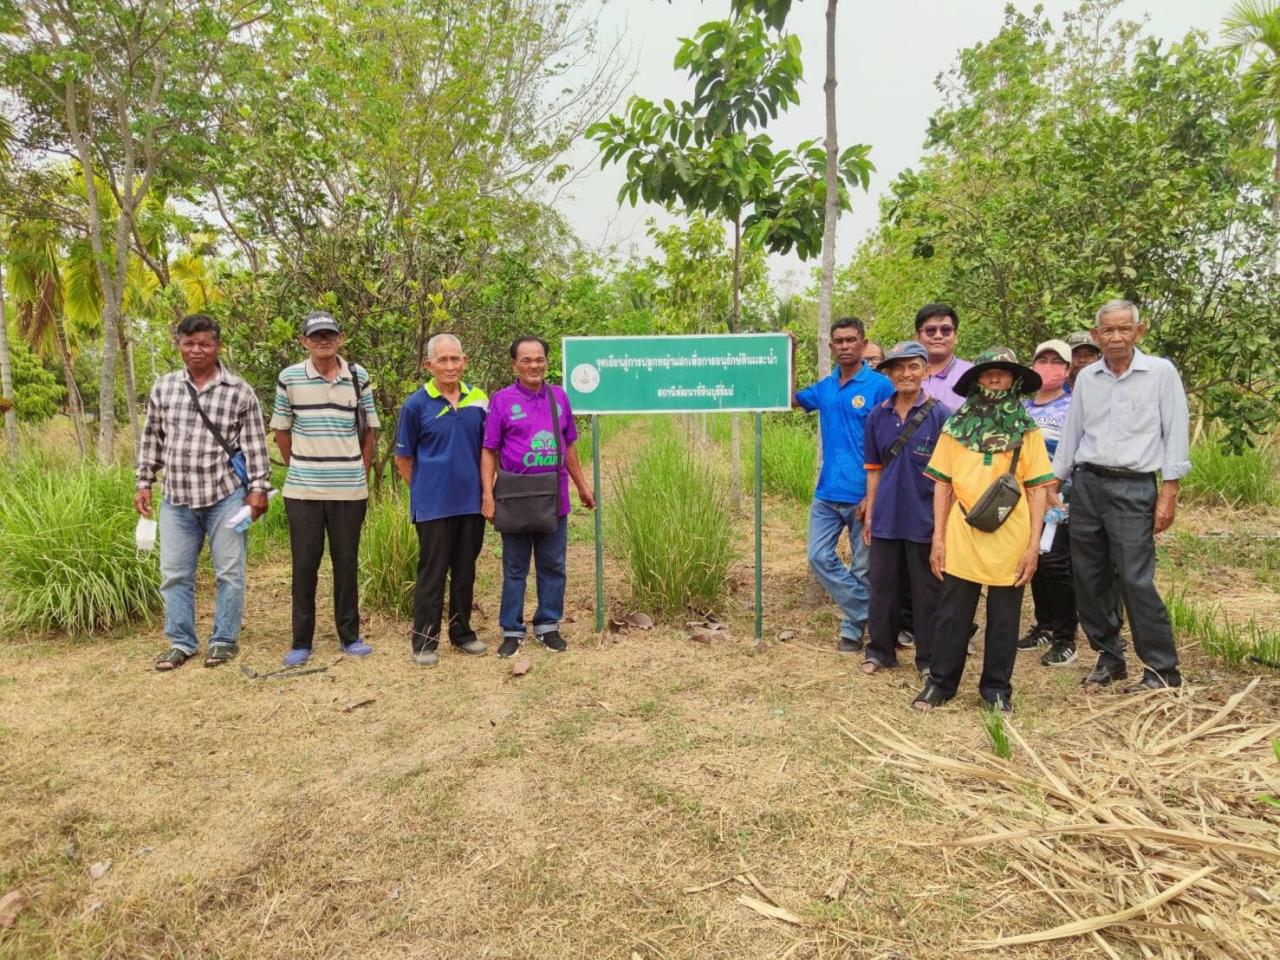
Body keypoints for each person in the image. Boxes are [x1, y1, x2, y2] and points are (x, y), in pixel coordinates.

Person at [1052, 300, 1190, 692]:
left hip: (1133, 486)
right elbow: (1072, 434)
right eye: (1107, 331)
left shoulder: (1160, 373)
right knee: (1089, 577)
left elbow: (1175, 431)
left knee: (1135, 578)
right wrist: (1053, 484)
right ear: (1096, 336)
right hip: (1087, 485)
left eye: (1124, 329)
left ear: (1138, 332)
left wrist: (1169, 491)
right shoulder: (1088, 379)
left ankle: (1162, 669)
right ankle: (1109, 656)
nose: (1116, 337)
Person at [914, 347, 1055, 712]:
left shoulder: (1028, 431)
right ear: (977, 378)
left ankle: (996, 690)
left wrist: (1033, 546)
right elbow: (942, 484)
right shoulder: (955, 427)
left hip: (1012, 533)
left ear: (1014, 380)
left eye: (1003, 372)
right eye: (988, 371)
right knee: (951, 613)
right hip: (963, 529)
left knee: (1005, 617)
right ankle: (940, 684)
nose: (995, 377)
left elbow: (1038, 489)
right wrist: (938, 539)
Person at [135, 313, 270, 671]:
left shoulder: (239, 390)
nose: (197, 350)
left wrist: (258, 490)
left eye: (204, 343)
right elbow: (152, 440)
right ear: (178, 345)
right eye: (189, 343)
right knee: (175, 574)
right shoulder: (164, 388)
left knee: (230, 572)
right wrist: (143, 481)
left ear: (217, 346)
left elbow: (255, 445)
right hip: (176, 498)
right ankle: (181, 642)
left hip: (225, 496)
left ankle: (224, 640)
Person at [270, 311, 378, 666]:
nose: (323, 341)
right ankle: (301, 641)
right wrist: (300, 466)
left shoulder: (358, 377)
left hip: (349, 491)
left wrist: (357, 472)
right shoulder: (289, 378)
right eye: (315, 336)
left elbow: (370, 432)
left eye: (329, 335)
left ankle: (350, 635)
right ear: (304, 341)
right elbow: (282, 432)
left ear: (341, 338)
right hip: (303, 491)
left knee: (345, 564)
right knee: (305, 566)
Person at [481, 336, 595, 657]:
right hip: (514, 497)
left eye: (540, 359)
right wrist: (487, 495)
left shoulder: (559, 397)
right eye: (527, 360)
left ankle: (548, 626)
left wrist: (582, 487)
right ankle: (511, 630)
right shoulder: (502, 401)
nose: (534, 365)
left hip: (553, 496)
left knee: (553, 564)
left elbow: (569, 446)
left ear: (547, 361)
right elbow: (489, 450)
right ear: (514, 364)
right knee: (515, 568)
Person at [795, 317, 895, 652]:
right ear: (831, 346)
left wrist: (874, 494)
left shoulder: (880, 386)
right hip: (827, 492)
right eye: (838, 341)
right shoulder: (825, 387)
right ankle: (874, 611)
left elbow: (891, 439)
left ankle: (852, 633)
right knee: (818, 556)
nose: (845, 346)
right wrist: (790, 352)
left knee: (863, 567)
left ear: (864, 344)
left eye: (851, 340)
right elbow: (790, 398)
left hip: (863, 493)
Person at [395, 334, 489, 667]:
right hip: (433, 506)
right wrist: (424, 489)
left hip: (471, 503)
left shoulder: (479, 400)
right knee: (432, 573)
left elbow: (488, 451)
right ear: (429, 365)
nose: (449, 366)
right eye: (442, 360)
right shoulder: (415, 405)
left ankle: (462, 633)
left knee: (465, 571)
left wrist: (486, 492)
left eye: (455, 359)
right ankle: (424, 640)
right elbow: (403, 459)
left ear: (464, 361)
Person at [860, 341, 951, 677]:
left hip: (925, 518)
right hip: (886, 516)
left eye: (913, 366)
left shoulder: (942, 416)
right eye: (898, 367)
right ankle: (880, 651)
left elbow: (949, 478)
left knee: (926, 590)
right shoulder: (877, 415)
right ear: (889, 373)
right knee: (882, 586)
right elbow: (873, 468)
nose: (906, 373)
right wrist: (871, 512)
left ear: (926, 370)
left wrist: (942, 529)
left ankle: (928, 659)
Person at [1017, 339, 1079, 666]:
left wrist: (1054, 486)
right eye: (1043, 360)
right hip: (1025, 499)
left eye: (1057, 362)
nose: (1049, 367)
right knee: (1034, 562)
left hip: (1058, 497)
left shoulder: (1073, 406)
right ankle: (1044, 625)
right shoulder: (1023, 407)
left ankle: (1066, 637)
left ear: (1067, 370)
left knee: (1055, 563)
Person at [915, 303, 973, 410]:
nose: (938, 336)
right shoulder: (903, 375)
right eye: (930, 330)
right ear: (917, 337)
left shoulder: (972, 374)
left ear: (955, 337)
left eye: (946, 330)